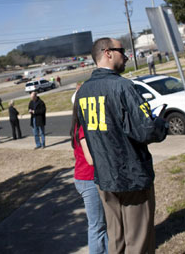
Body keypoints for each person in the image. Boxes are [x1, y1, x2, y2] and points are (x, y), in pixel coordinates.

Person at [76, 37, 168, 253]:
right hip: (132, 177)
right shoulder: (124, 86)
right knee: (138, 242)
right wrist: (161, 123)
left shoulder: (83, 92)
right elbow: (146, 130)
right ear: (108, 52)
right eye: (122, 51)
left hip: (104, 179)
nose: (126, 56)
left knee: (116, 241)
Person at [71, 89, 108, 254]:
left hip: (87, 178)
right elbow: (91, 159)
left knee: (102, 224)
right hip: (88, 180)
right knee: (97, 225)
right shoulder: (83, 127)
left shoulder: (83, 123)